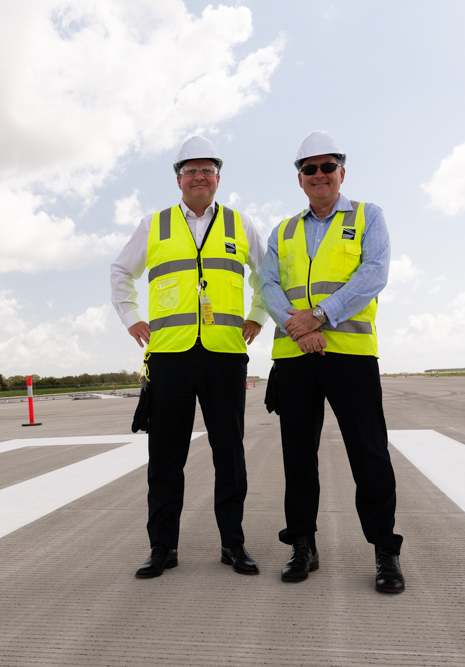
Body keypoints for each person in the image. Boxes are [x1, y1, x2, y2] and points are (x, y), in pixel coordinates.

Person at [111, 135, 268, 578]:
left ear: (218, 177)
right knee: (165, 458)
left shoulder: (241, 224)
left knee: (229, 456)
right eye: (190, 170)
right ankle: (162, 547)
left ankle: (233, 545)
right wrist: (131, 317)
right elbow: (121, 270)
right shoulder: (153, 225)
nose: (199, 177)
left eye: (207, 170)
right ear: (178, 179)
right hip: (169, 356)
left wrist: (257, 315)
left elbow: (268, 275)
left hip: (223, 355)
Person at [258, 130, 405, 592]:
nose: (318, 175)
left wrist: (321, 316)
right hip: (295, 357)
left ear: (342, 172)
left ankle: (385, 552)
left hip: (350, 355)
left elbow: (373, 273)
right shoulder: (283, 232)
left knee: (370, 454)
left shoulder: (368, 216)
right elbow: (266, 286)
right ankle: (302, 546)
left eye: (327, 167)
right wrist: (300, 329)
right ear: (299, 179)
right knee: (297, 456)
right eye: (309, 168)